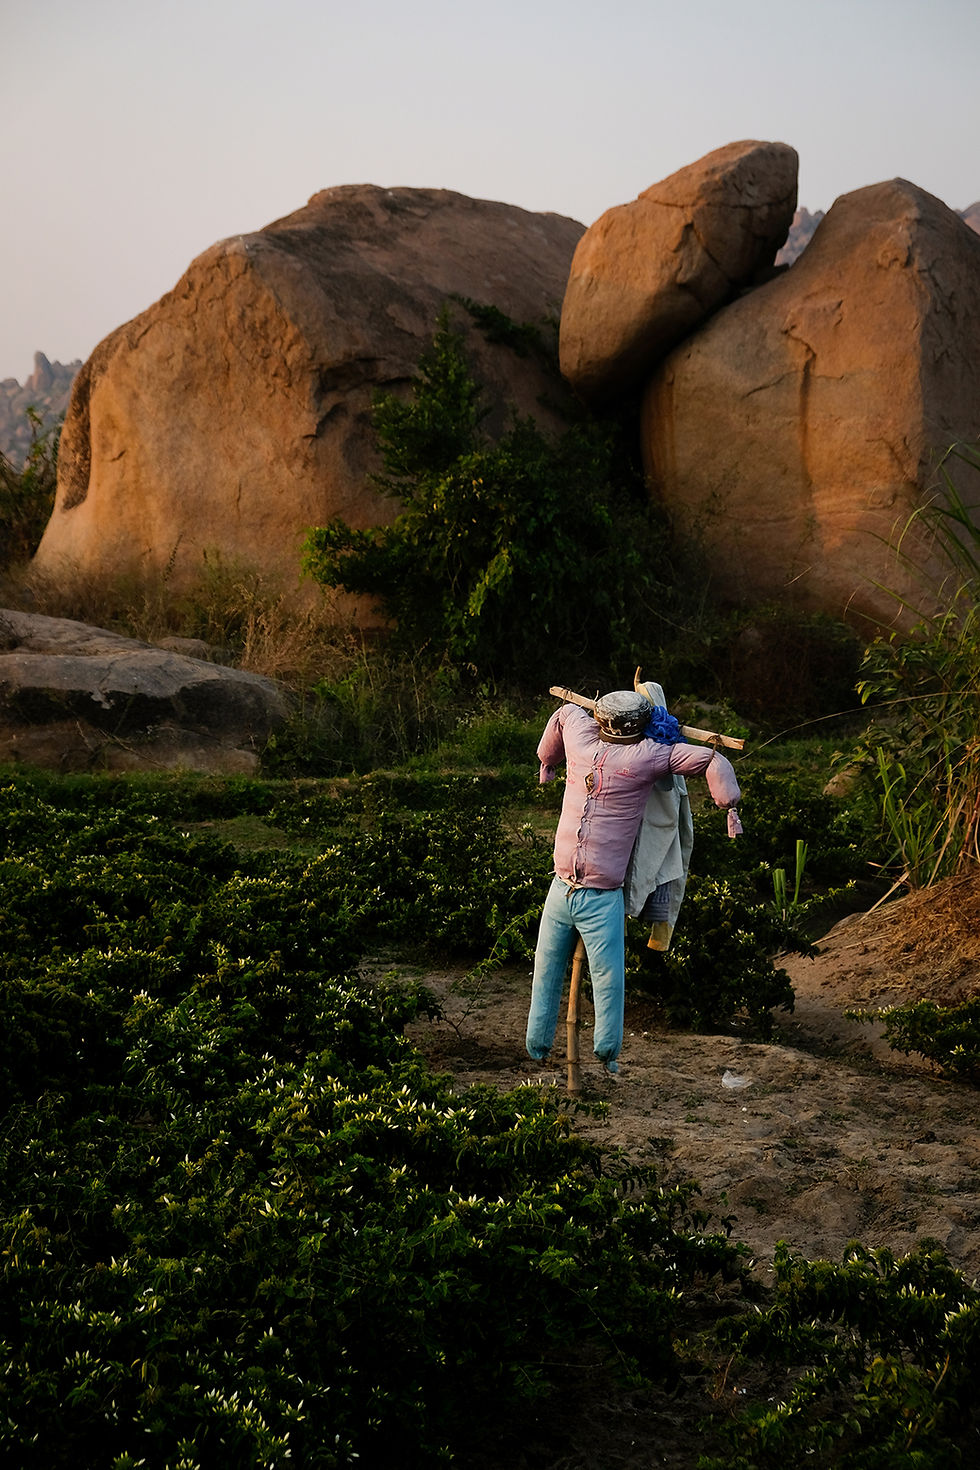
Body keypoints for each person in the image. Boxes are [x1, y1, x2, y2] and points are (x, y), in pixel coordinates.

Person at [525, 689, 740, 1075]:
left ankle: (572, 1048)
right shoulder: (650, 756)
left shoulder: (581, 735)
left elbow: (563, 713)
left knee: (561, 970)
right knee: (604, 979)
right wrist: (728, 805)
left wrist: (548, 760)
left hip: (577, 890)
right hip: (581, 893)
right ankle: (589, 1050)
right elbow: (710, 758)